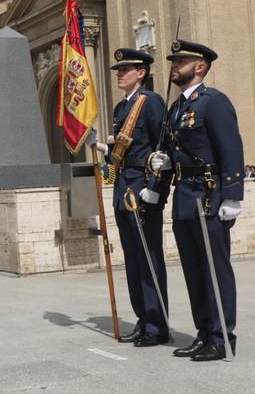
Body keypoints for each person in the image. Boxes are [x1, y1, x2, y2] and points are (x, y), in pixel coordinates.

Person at [150, 39, 244, 362]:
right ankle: (204, 333)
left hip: (208, 195)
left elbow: (230, 148)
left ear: (200, 66)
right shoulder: (175, 108)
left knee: (215, 269)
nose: (174, 65)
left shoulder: (213, 102)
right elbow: (175, 149)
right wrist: (163, 166)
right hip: (184, 198)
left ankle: (222, 336)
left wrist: (232, 195)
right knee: (193, 270)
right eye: (173, 61)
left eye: (181, 61)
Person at [94, 48, 169, 347]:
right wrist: (100, 149)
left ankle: (158, 325)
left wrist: (154, 189)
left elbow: (162, 150)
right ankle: (143, 319)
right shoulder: (119, 109)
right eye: (117, 69)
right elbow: (118, 156)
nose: (119, 73)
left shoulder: (150, 103)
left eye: (126, 69)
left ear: (142, 73)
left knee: (149, 257)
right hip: (122, 188)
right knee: (133, 259)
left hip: (141, 190)